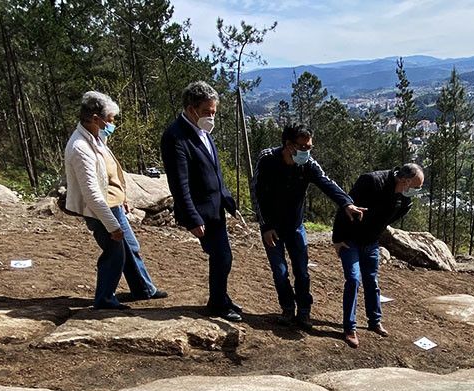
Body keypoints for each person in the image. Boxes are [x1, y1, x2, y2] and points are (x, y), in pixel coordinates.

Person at [252, 125, 364, 329]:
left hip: (295, 227)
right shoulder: (267, 159)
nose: (307, 151)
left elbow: (326, 183)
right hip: (272, 228)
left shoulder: (308, 165)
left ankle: (304, 312)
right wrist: (265, 226)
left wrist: (346, 203)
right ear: (288, 145)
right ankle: (287, 309)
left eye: (309, 147)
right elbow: (257, 193)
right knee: (279, 271)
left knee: (302, 272)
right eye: (302, 146)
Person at [64, 91, 166, 310]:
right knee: (115, 252)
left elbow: (110, 172)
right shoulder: (80, 148)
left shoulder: (97, 138)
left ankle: (144, 288)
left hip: (114, 204)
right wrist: (112, 225)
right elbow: (92, 193)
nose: (112, 124)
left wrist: (123, 197)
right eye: (109, 120)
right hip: (100, 210)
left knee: (130, 246)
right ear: (95, 118)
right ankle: (104, 298)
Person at [160, 81, 245, 322]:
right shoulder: (176, 137)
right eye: (207, 111)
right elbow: (179, 183)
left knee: (223, 257)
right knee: (222, 257)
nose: (211, 116)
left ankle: (221, 297)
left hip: (216, 208)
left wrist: (227, 198)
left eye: (214, 112)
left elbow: (214, 170)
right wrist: (192, 217)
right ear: (191, 108)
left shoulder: (202, 131)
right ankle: (218, 304)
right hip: (200, 211)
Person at [331, 163, 424, 349]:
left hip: (372, 243)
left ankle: (375, 321)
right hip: (350, 240)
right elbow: (345, 206)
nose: (417, 191)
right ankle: (350, 328)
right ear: (404, 181)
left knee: (372, 281)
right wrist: (337, 238)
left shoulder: (404, 199)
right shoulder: (371, 181)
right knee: (353, 279)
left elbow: (392, 216)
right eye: (416, 187)